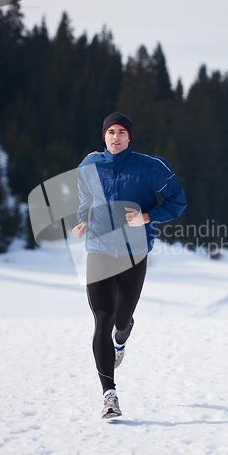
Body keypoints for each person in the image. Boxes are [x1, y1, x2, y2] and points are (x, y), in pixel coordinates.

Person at [72, 112, 186, 419]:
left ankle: (122, 338)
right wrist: (81, 220)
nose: (116, 137)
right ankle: (109, 395)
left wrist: (147, 217)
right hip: (98, 251)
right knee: (103, 319)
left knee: (121, 321)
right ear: (104, 136)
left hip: (135, 254)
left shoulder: (151, 167)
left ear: (129, 137)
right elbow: (84, 198)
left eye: (122, 131)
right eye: (111, 131)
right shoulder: (89, 165)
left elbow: (177, 201)